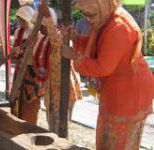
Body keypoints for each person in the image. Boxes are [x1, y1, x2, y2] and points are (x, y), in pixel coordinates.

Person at [61, 0, 154, 149]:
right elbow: (99, 45)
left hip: (129, 91)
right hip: (118, 88)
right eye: (85, 15)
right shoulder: (106, 18)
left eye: (91, 15)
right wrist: (76, 38)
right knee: (108, 138)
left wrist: (74, 57)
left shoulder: (119, 27)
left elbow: (103, 67)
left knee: (119, 142)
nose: (88, 20)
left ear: (103, 5)